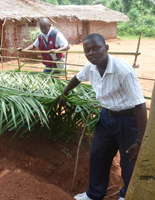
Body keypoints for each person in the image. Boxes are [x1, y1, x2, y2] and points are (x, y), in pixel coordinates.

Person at [59, 33, 147, 200]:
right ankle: (94, 194)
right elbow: (77, 78)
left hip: (128, 120)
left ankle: (126, 195)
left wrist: (140, 140)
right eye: (87, 50)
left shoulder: (123, 71)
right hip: (106, 117)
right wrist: (64, 93)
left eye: (96, 48)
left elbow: (140, 106)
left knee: (129, 161)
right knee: (98, 155)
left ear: (106, 48)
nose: (92, 53)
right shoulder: (90, 67)